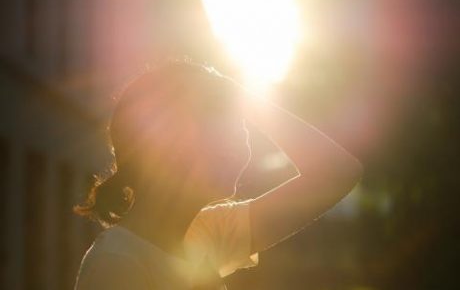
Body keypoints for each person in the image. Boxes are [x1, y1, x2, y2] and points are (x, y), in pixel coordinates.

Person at [74, 61, 363, 289]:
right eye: (219, 124)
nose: (240, 142)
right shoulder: (117, 263)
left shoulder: (206, 231)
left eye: (241, 125)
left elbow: (338, 173)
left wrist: (243, 95)